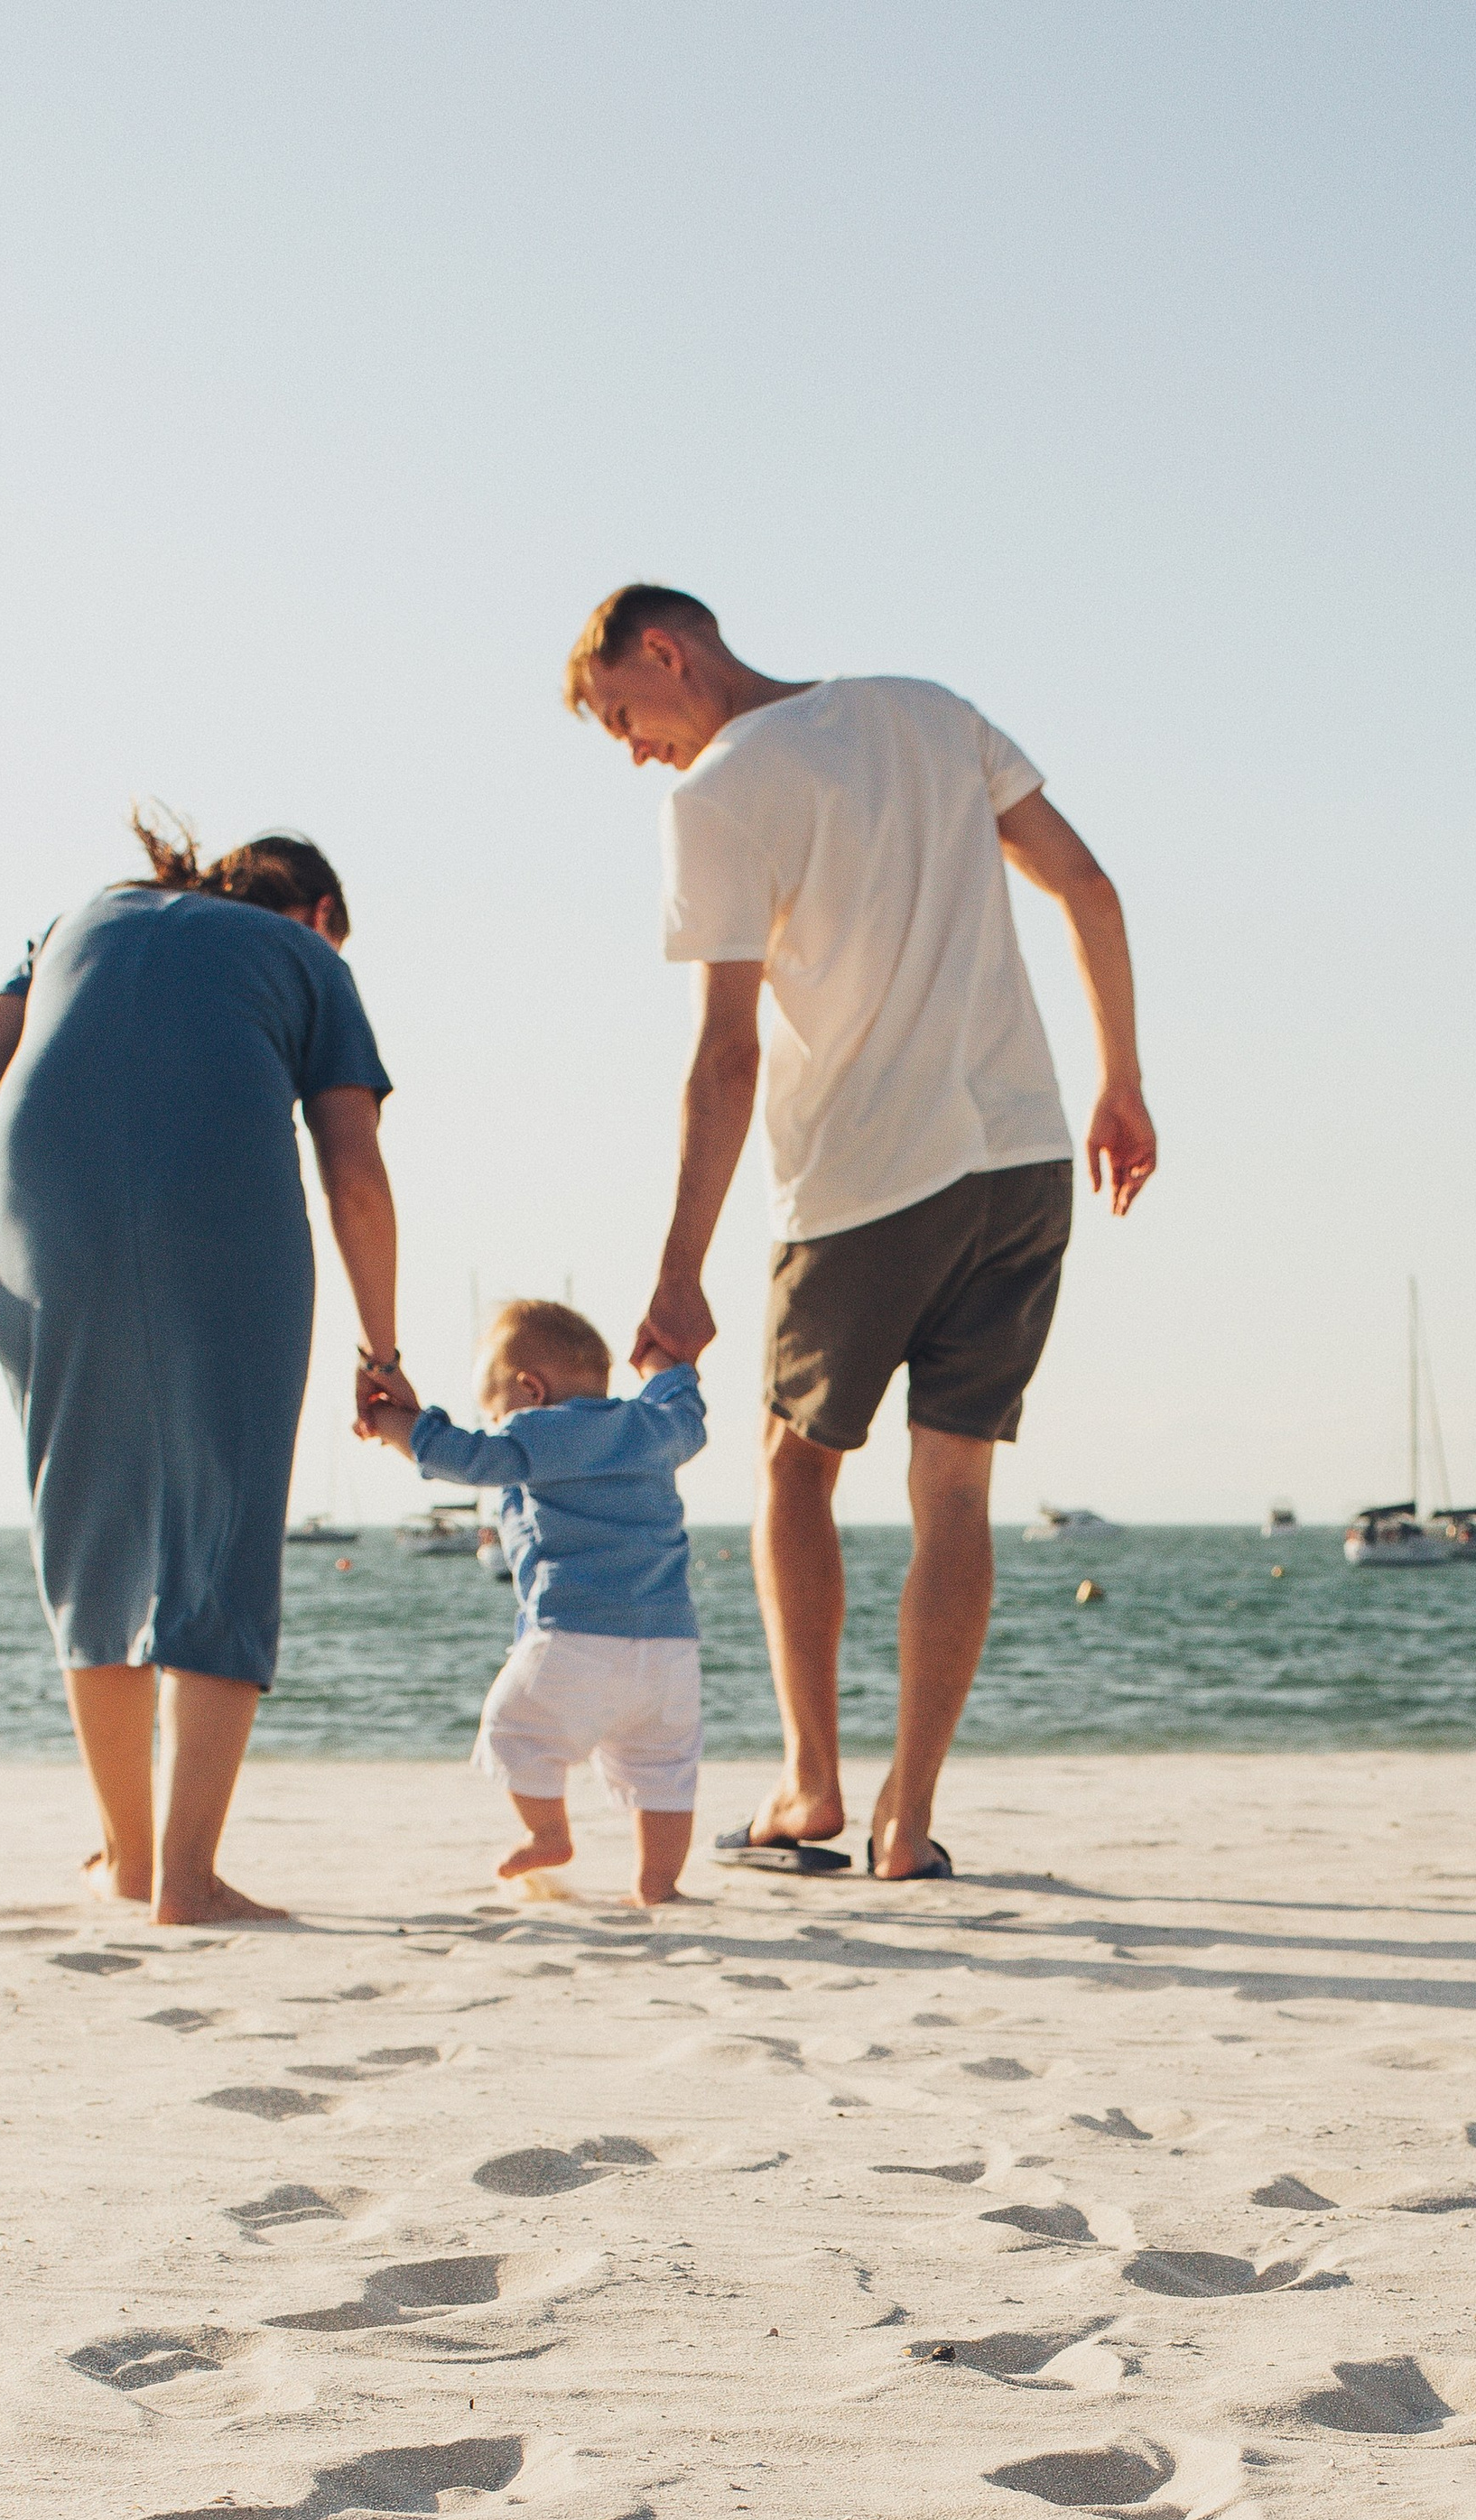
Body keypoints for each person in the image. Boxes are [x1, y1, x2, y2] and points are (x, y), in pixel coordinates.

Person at [564, 585, 1156, 1883]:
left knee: (794, 1466)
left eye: (622, 713)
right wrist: (1122, 1080)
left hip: (862, 1178)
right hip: (1023, 1158)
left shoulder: (715, 794)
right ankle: (910, 1816)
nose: (631, 748)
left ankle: (810, 1784)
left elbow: (725, 1058)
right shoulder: (927, 713)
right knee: (955, 1487)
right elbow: (1089, 886)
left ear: (666, 651)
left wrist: (678, 1267)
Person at [0, 813, 412, 1922]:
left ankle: (127, 1859)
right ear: (322, 913)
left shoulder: (74, 920)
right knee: (222, 1519)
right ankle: (187, 1876)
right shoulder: (308, 958)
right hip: (218, 1212)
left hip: (42, 1211)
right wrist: (382, 1351)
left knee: (89, 1523)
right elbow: (353, 1171)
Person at [360, 1300, 707, 1906]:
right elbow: (687, 1408)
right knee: (662, 1768)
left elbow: (469, 1457)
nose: (498, 1429)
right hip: (670, 1645)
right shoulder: (654, 1426)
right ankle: (659, 1881)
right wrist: (664, 1364)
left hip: (576, 1631)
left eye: (496, 1415)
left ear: (531, 1390)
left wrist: (394, 1426)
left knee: (513, 1728)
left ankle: (547, 1834)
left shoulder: (542, 1429)